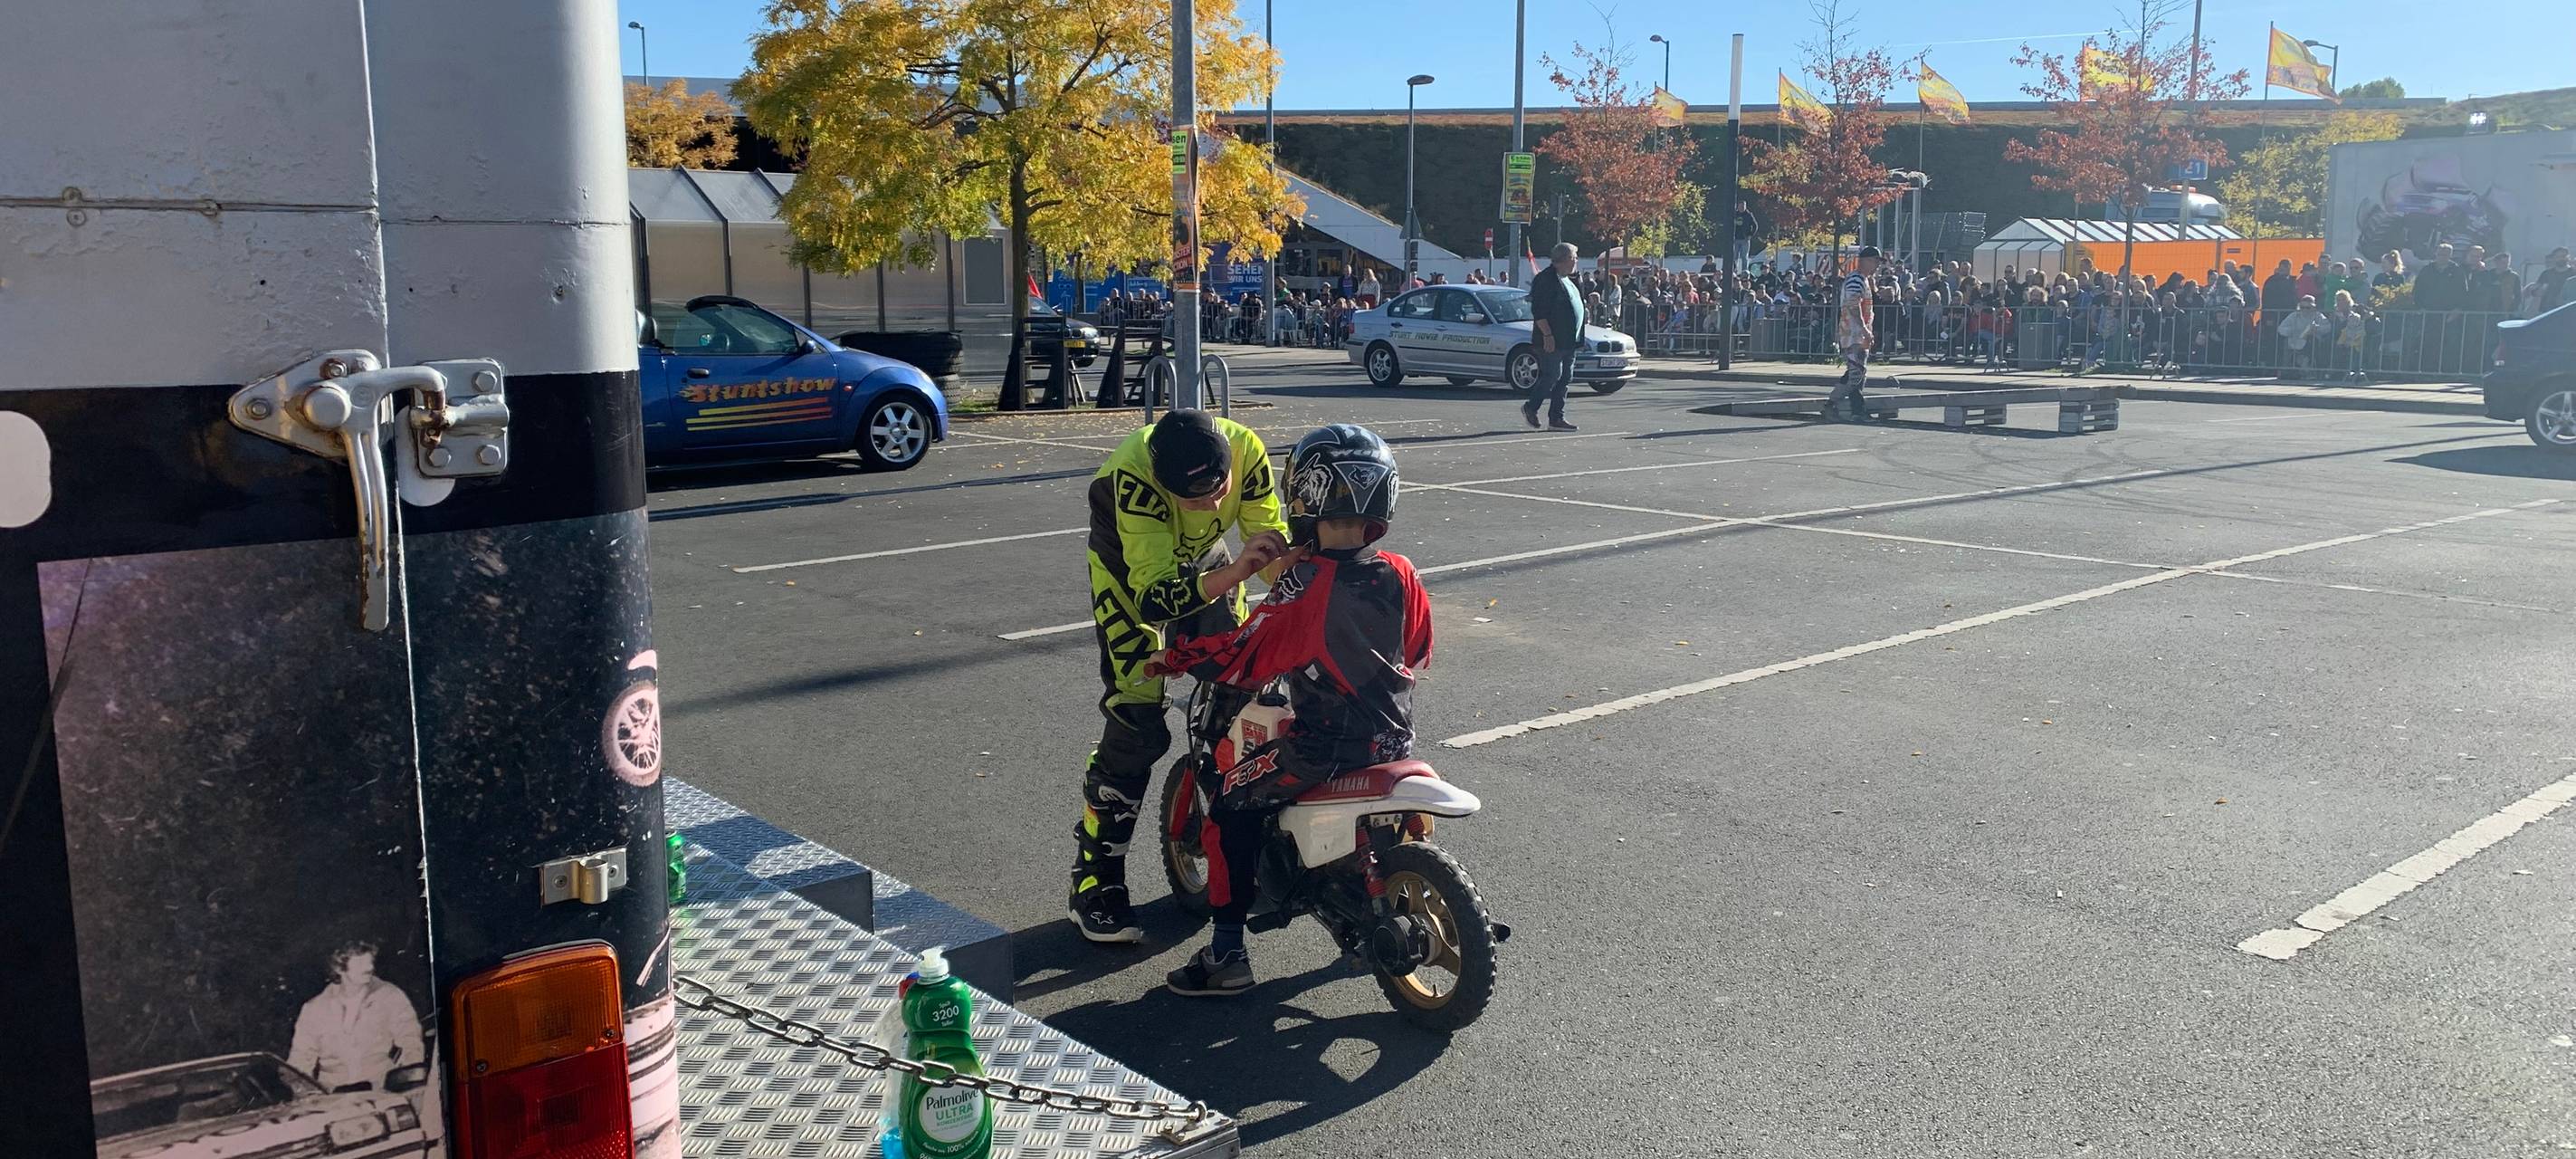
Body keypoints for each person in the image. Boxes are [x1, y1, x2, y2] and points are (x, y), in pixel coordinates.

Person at [1151, 425, 1433, 996]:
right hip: (1393, 742)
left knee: (1231, 803)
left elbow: (1243, 655)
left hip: (1320, 749)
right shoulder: (1400, 570)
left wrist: (1174, 657)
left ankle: (1227, 953)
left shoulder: (1304, 580)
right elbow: (1420, 646)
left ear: (1305, 492)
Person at [1070, 409, 1290, 943]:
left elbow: (1270, 542)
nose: (1212, 505)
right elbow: (1152, 594)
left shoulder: (1247, 447)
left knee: (1241, 689)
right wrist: (1235, 572)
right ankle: (1095, 880)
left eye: (1218, 491)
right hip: (1131, 571)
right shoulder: (1133, 478)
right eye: (1192, 501)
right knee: (1137, 717)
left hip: (1208, 560)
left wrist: (1290, 575)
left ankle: (1234, 840)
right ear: (1165, 485)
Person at [286, 941, 425, 1093]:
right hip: (333, 1099)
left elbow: (411, 1042)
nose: (370, 968)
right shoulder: (314, 1009)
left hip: (381, 1093)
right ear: (339, 968)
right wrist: (307, 1096)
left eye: (371, 961)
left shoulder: (390, 996)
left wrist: (406, 1082)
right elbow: (299, 1063)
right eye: (360, 963)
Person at [1524, 242, 1585, 431]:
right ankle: (1531, 407)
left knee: (1566, 376)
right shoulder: (1546, 279)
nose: (1576, 261)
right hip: (1552, 339)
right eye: (1574, 258)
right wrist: (1547, 335)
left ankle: (1556, 418)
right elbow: (1539, 311)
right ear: (1565, 259)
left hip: (1568, 340)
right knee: (1553, 375)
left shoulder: (1569, 278)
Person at [1827, 247, 1882, 420]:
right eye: (1875, 261)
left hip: (1857, 332)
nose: (1877, 265)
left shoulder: (1864, 280)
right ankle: (1836, 404)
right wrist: (1864, 328)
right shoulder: (1856, 279)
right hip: (1853, 332)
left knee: (1858, 372)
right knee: (1855, 374)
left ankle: (1856, 409)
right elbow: (1852, 303)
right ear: (1864, 260)